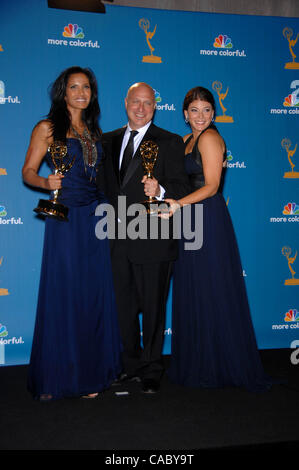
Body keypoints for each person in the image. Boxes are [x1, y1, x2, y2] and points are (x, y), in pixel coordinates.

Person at [23, 66, 122, 401]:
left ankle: (90, 373)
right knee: (65, 292)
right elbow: (28, 172)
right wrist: (45, 182)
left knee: (91, 293)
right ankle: (59, 375)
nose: (81, 93)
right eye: (74, 87)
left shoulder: (94, 130)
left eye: (87, 87)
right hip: (65, 217)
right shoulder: (48, 127)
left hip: (95, 216)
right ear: (63, 91)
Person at [165, 86, 272, 392]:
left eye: (207, 110)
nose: (201, 116)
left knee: (212, 288)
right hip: (188, 220)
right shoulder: (185, 140)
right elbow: (179, 183)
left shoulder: (211, 138)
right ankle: (198, 360)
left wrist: (178, 204)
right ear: (185, 114)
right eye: (195, 110)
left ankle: (219, 363)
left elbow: (211, 186)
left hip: (207, 218)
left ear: (214, 113)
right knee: (194, 288)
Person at [98, 82, 189, 394]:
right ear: (126, 102)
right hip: (115, 237)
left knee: (153, 306)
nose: (140, 108)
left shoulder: (170, 141)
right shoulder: (106, 140)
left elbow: (183, 189)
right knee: (122, 307)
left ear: (155, 106)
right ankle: (130, 365)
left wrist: (161, 191)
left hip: (154, 236)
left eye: (147, 103)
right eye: (135, 101)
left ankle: (151, 368)